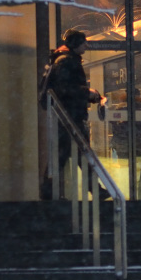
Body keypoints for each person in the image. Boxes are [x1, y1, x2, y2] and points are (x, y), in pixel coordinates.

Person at [43, 29, 101, 174]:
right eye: (83, 42)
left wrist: (88, 94)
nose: (86, 45)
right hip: (70, 116)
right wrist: (87, 93)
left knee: (64, 156)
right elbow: (65, 88)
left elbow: (66, 88)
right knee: (81, 154)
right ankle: (94, 185)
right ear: (76, 43)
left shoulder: (64, 60)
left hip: (67, 115)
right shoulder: (67, 61)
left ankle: (49, 185)